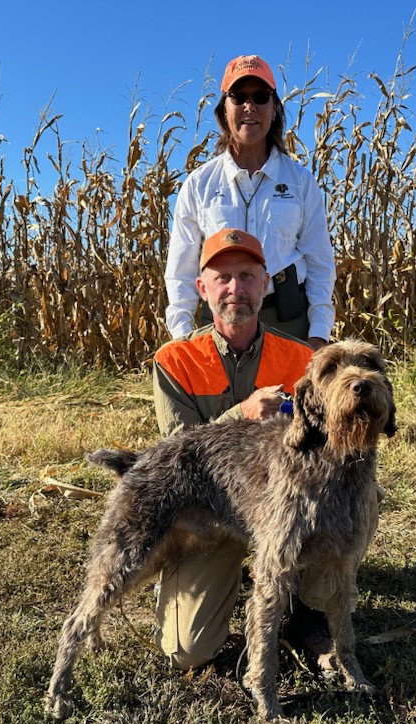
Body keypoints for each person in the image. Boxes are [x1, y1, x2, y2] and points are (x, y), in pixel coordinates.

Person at [153, 227, 336, 671]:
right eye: (223, 278)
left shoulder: (302, 360)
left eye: (248, 276)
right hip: (209, 512)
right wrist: (242, 414)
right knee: (187, 652)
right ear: (202, 288)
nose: (236, 288)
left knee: (352, 491)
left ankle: (308, 609)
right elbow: (178, 458)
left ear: (265, 284)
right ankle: (195, 578)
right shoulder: (175, 360)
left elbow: (329, 445)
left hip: (283, 510)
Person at [164, 54, 336, 350]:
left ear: (274, 108)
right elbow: (181, 270)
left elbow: (320, 263)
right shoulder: (199, 184)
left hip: (288, 325)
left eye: (260, 97)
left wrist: (318, 334)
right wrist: (182, 338)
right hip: (217, 325)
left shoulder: (301, 182)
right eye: (238, 97)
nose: (249, 106)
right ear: (224, 109)